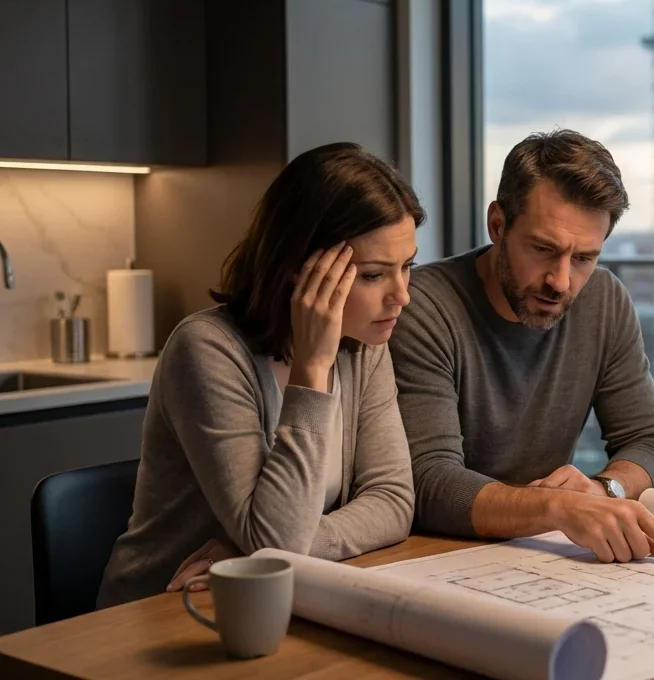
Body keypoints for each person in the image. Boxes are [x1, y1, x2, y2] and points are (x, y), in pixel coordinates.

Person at [97, 142, 422, 608]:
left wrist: (257, 552)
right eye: (373, 275)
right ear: (299, 269)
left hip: (261, 597)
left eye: (407, 267)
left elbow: (392, 502)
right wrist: (311, 370)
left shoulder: (364, 346)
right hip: (160, 612)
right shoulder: (207, 349)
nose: (401, 296)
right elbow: (275, 543)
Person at [389, 128, 654, 567]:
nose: (561, 281)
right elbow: (429, 482)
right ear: (497, 225)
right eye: (544, 249)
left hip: (540, 555)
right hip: (434, 557)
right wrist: (557, 507)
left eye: (584, 257)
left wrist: (604, 490)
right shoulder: (422, 308)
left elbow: (650, 441)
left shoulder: (603, 299)